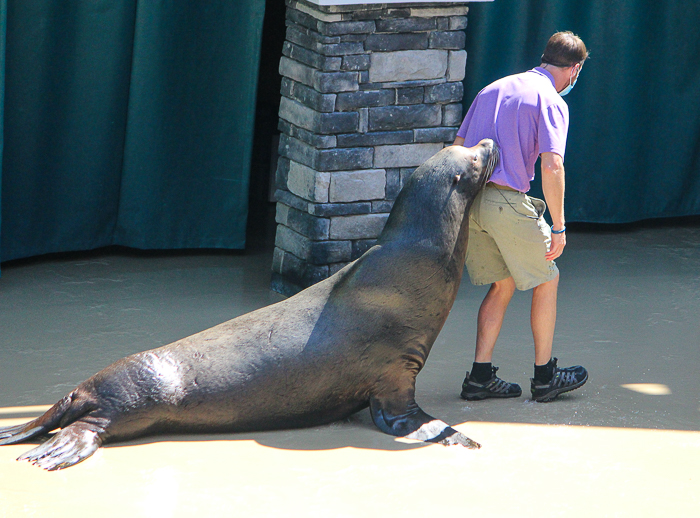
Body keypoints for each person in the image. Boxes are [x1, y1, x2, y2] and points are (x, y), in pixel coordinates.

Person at [453, 31, 589, 403]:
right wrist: (558, 227)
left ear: (544, 57)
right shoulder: (551, 101)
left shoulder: (492, 89)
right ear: (574, 69)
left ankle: (479, 377)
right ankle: (545, 377)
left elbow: (456, 150)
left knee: (504, 283)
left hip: (472, 204)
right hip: (506, 201)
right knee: (547, 278)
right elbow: (553, 166)